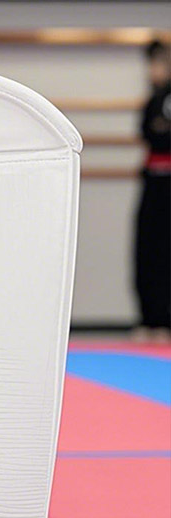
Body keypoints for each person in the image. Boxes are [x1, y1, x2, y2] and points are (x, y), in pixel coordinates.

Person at [134, 40, 171, 341]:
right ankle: (150, 317)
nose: (153, 69)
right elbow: (148, 132)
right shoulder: (153, 99)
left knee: (165, 251)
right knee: (146, 249)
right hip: (152, 181)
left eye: (159, 62)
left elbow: (161, 136)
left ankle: (165, 320)